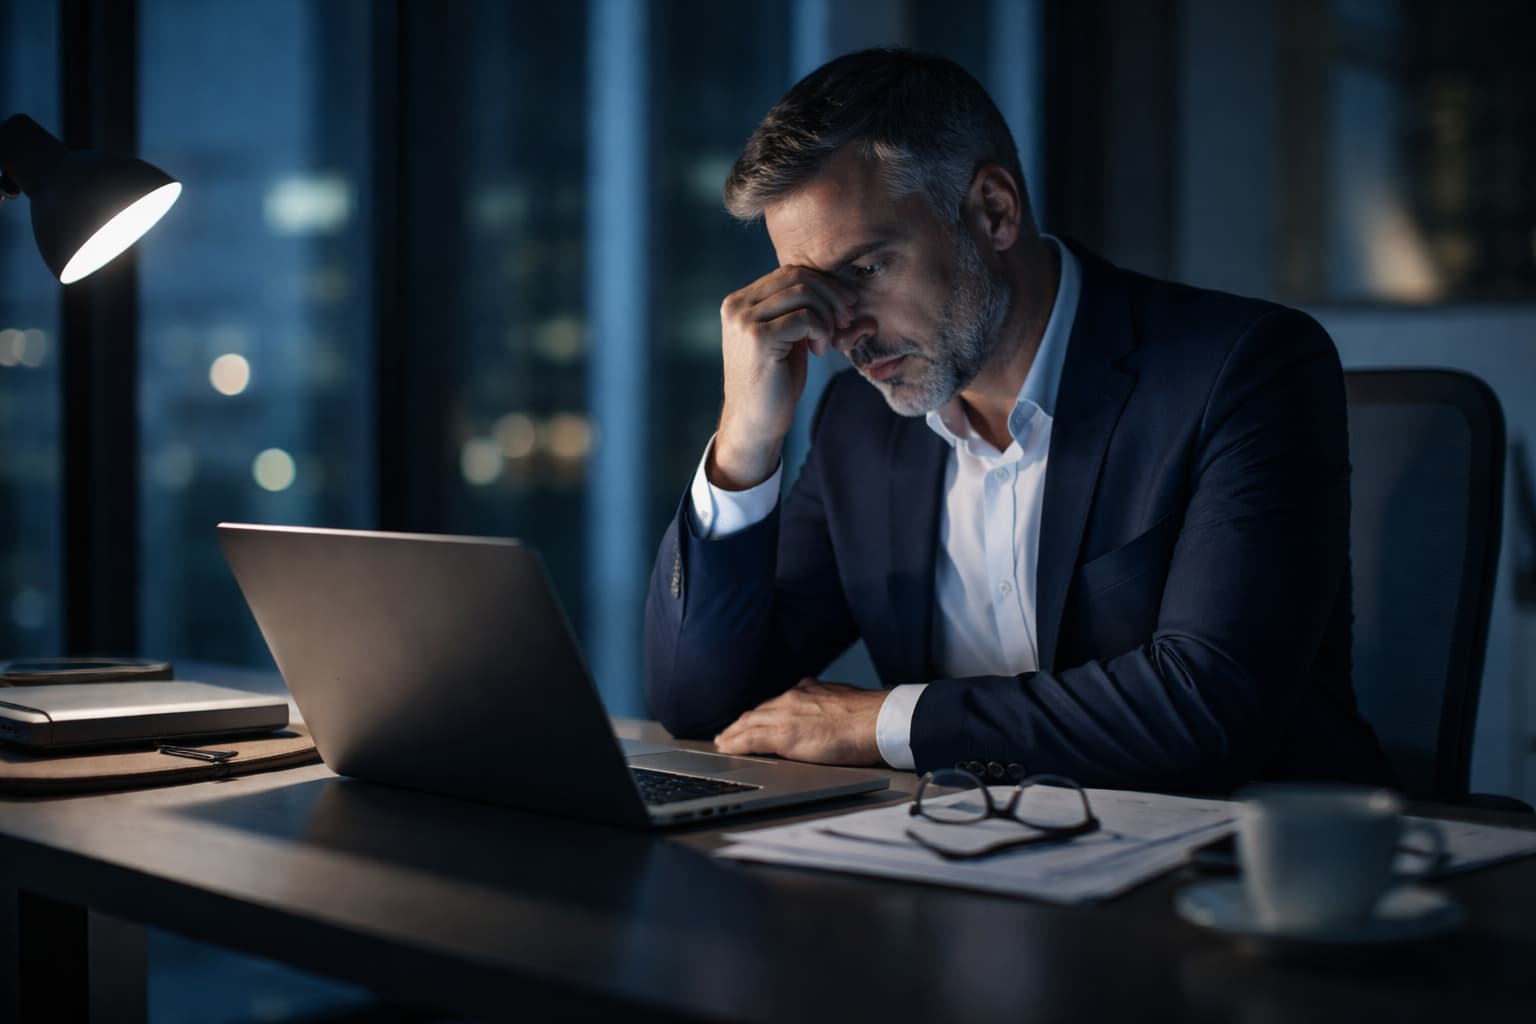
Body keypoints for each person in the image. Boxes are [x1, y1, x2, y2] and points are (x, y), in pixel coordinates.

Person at [643, 48, 1391, 792]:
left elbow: (1208, 707)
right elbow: (701, 706)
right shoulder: (859, 427)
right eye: (809, 287)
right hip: (970, 864)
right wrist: (745, 440)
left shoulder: (1245, 368)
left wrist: (883, 723)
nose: (842, 330)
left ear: (994, 211)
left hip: (1239, 873)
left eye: (865, 269)